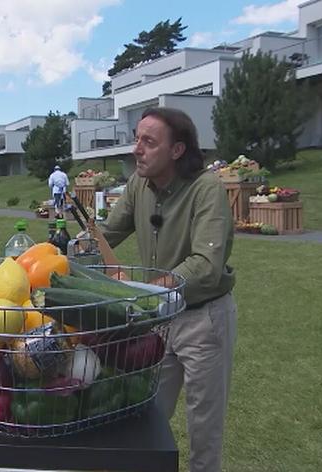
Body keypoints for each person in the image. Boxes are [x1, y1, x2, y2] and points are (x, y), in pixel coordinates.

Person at [98, 107, 237, 472]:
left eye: (148, 141)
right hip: (159, 320)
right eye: (136, 138)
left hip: (202, 319)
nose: (136, 149)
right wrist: (55, 254)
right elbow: (105, 236)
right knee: (146, 415)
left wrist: (144, 291)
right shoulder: (138, 186)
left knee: (203, 432)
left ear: (177, 150)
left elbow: (206, 267)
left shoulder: (207, 189)